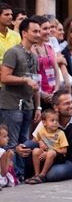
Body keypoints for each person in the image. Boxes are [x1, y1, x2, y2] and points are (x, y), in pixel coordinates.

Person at [20, 90, 72, 182]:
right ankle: (31, 176)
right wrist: (20, 148)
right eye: (67, 103)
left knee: (53, 174)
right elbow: (34, 141)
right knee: (28, 145)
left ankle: (42, 174)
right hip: (49, 157)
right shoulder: (48, 119)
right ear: (56, 107)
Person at [0, 18, 41, 177]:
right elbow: (4, 77)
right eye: (35, 31)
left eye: (39, 31)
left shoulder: (34, 56)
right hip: (12, 104)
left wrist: (38, 106)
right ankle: (8, 175)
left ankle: (20, 174)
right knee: (10, 142)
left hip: (28, 105)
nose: (38, 34)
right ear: (24, 33)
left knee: (24, 142)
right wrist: (24, 79)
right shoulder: (13, 52)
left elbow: (36, 83)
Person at [27, 109, 68, 184]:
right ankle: (37, 174)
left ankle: (42, 175)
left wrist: (50, 152)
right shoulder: (41, 131)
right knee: (36, 150)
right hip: (45, 153)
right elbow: (37, 139)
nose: (55, 123)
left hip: (57, 156)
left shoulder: (60, 133)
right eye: (52, 120)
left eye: (57, 120)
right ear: (44, 123)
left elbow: (64, 150)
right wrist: (40, 142)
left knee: (51, 153)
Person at [0, 4, 21, 85]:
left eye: (11, 14)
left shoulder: (16, 35)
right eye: (6, 14)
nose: (10, 17)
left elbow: (20, 55)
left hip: (13, 80)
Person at [0, 124, 19, 188]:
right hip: (1, 180)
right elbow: (3, 173)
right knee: (11, 163)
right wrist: (8, 158)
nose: (8, 138)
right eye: (4, 136)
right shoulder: (2, 152)